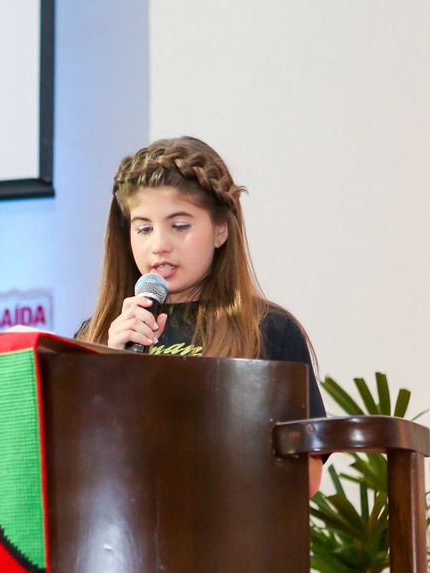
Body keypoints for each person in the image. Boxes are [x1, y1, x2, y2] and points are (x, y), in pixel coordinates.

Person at [76, 135, 325, 496]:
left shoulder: (269, 329)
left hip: (230, 526)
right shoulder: (99, 335)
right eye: (143, 228)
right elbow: (72, 467)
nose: (159, 245)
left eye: (179, 226)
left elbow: (307, 478)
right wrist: (104, 366)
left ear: (220, 230)